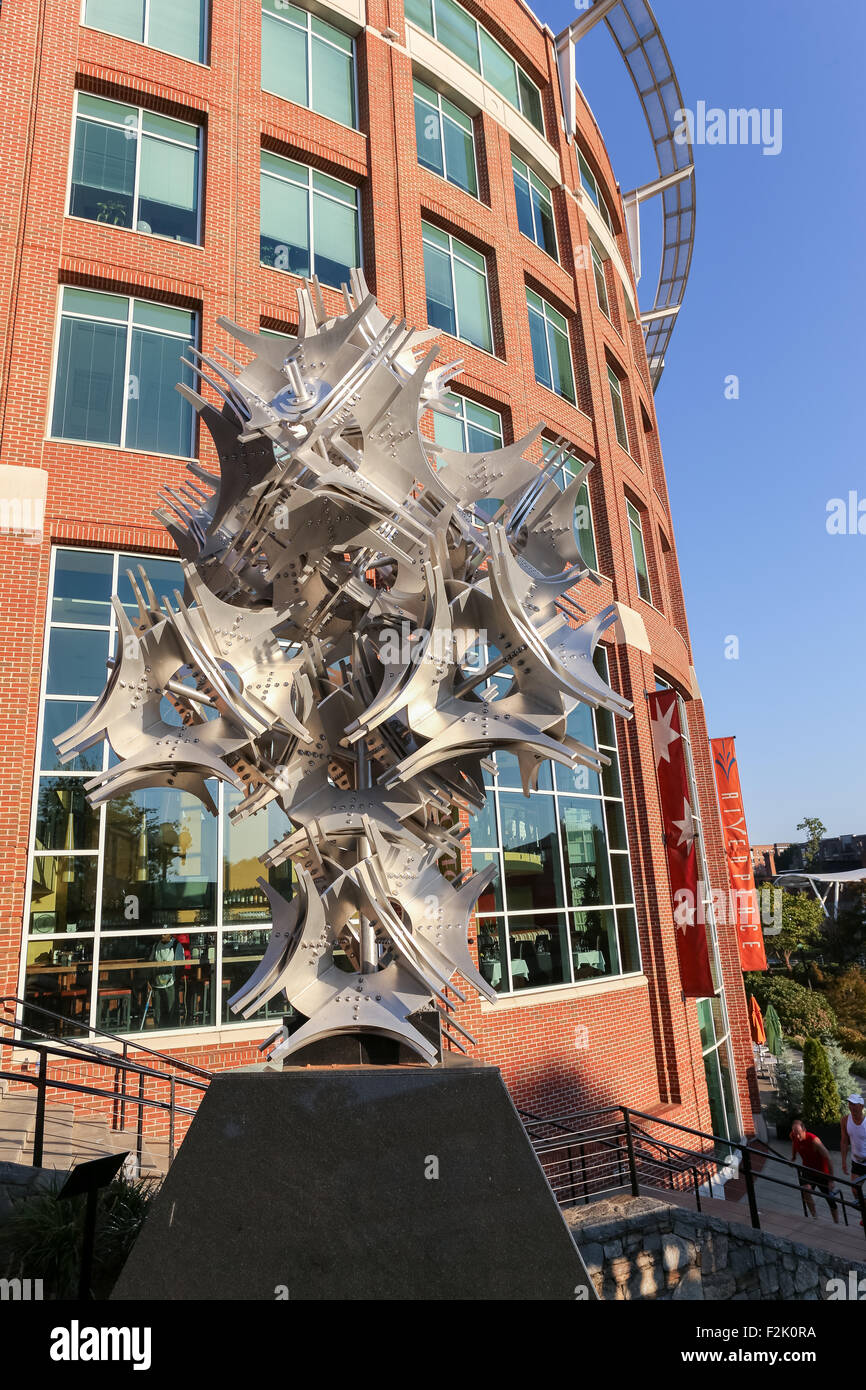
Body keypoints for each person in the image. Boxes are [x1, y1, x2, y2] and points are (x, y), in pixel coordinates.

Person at [790, 1119, 839, 1223]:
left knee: (831, 1200)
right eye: (795, 1134)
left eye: (799, 1134)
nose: (797, 1137)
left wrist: (831, 1180)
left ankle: (836, 1222)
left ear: (804, 1130)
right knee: (805, 1190)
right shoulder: (794, 1136)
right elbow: (794, 1144)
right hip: (808, 1170)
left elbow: (828, 1158)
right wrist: (793, 1157)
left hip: (822, 1172)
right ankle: (814, 1217)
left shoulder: (814, 1140)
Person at [148, 934, 185, 1029]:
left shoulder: (176, 945)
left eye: (165, 933)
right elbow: (151, 962)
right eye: (161, 933)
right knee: (158, 1011)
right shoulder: (156, 945)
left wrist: (177, 980)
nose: (162, 935)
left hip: (171, 982)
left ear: (170, 934)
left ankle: (173, 1031)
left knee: (171, 1010)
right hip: (157, 982)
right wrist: (149, 979)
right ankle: (159, 1030)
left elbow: (180, 965)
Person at [841, 1092, 866, 1220]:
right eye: (850, 1104)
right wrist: (843, 1162)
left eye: (854, 1104)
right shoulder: (845, 1120)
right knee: (855, 1191)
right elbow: (844, 1141)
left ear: (861, 1106)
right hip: (856, 1162)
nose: (851, 1106)